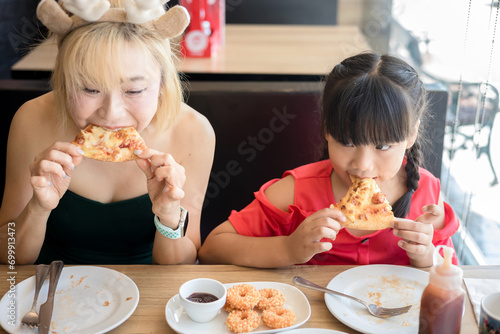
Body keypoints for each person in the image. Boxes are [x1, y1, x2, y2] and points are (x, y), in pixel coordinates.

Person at [0, 0, 215, 265]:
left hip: (149, 295)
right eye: (89, 89)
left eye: (134, 91)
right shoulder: (30, 119)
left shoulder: (194, 132)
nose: (111, 113)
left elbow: (181, 267)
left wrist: (168, 215)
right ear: (65, 82)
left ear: (162, 84)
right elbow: (8, 257)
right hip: (52, 290)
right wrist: (37, 208)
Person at [199, 52, 459, 268]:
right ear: (326, 130)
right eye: (347, 142)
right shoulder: (296, 191)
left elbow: (451, 273)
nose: (363, 164)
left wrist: (425, 257)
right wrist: (289, 249)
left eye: (382, 145)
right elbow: (212, 249)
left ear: (411, 134)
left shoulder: (427, 195)